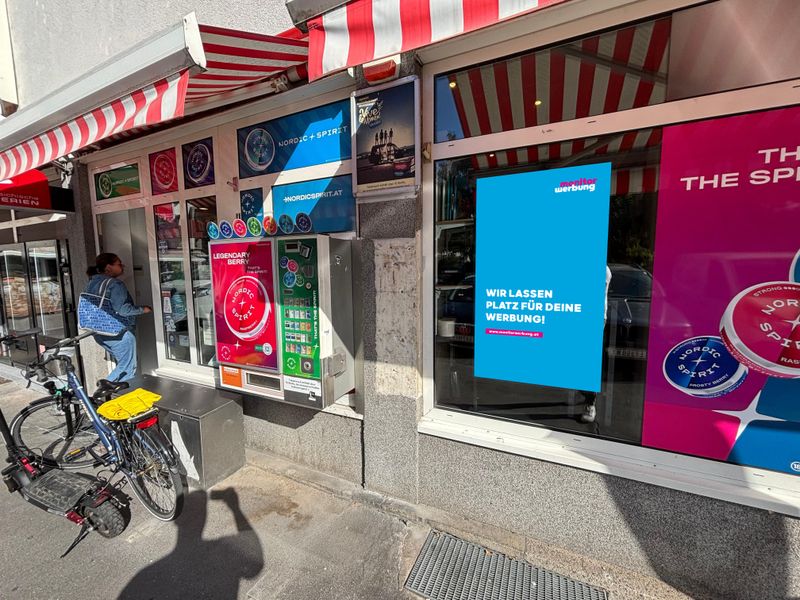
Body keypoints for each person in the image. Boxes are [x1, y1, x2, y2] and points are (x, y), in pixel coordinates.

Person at [84, 253, 151, 383]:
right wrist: (143, 309)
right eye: (119, 264)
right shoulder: (115, 284)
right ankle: (101, 395)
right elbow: (123, 310)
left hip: (99, 331)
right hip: (118, 333)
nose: (123, 267)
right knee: (127, 368)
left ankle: (109, 395)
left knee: (123, 364)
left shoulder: (93, 282)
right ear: (108, 267)